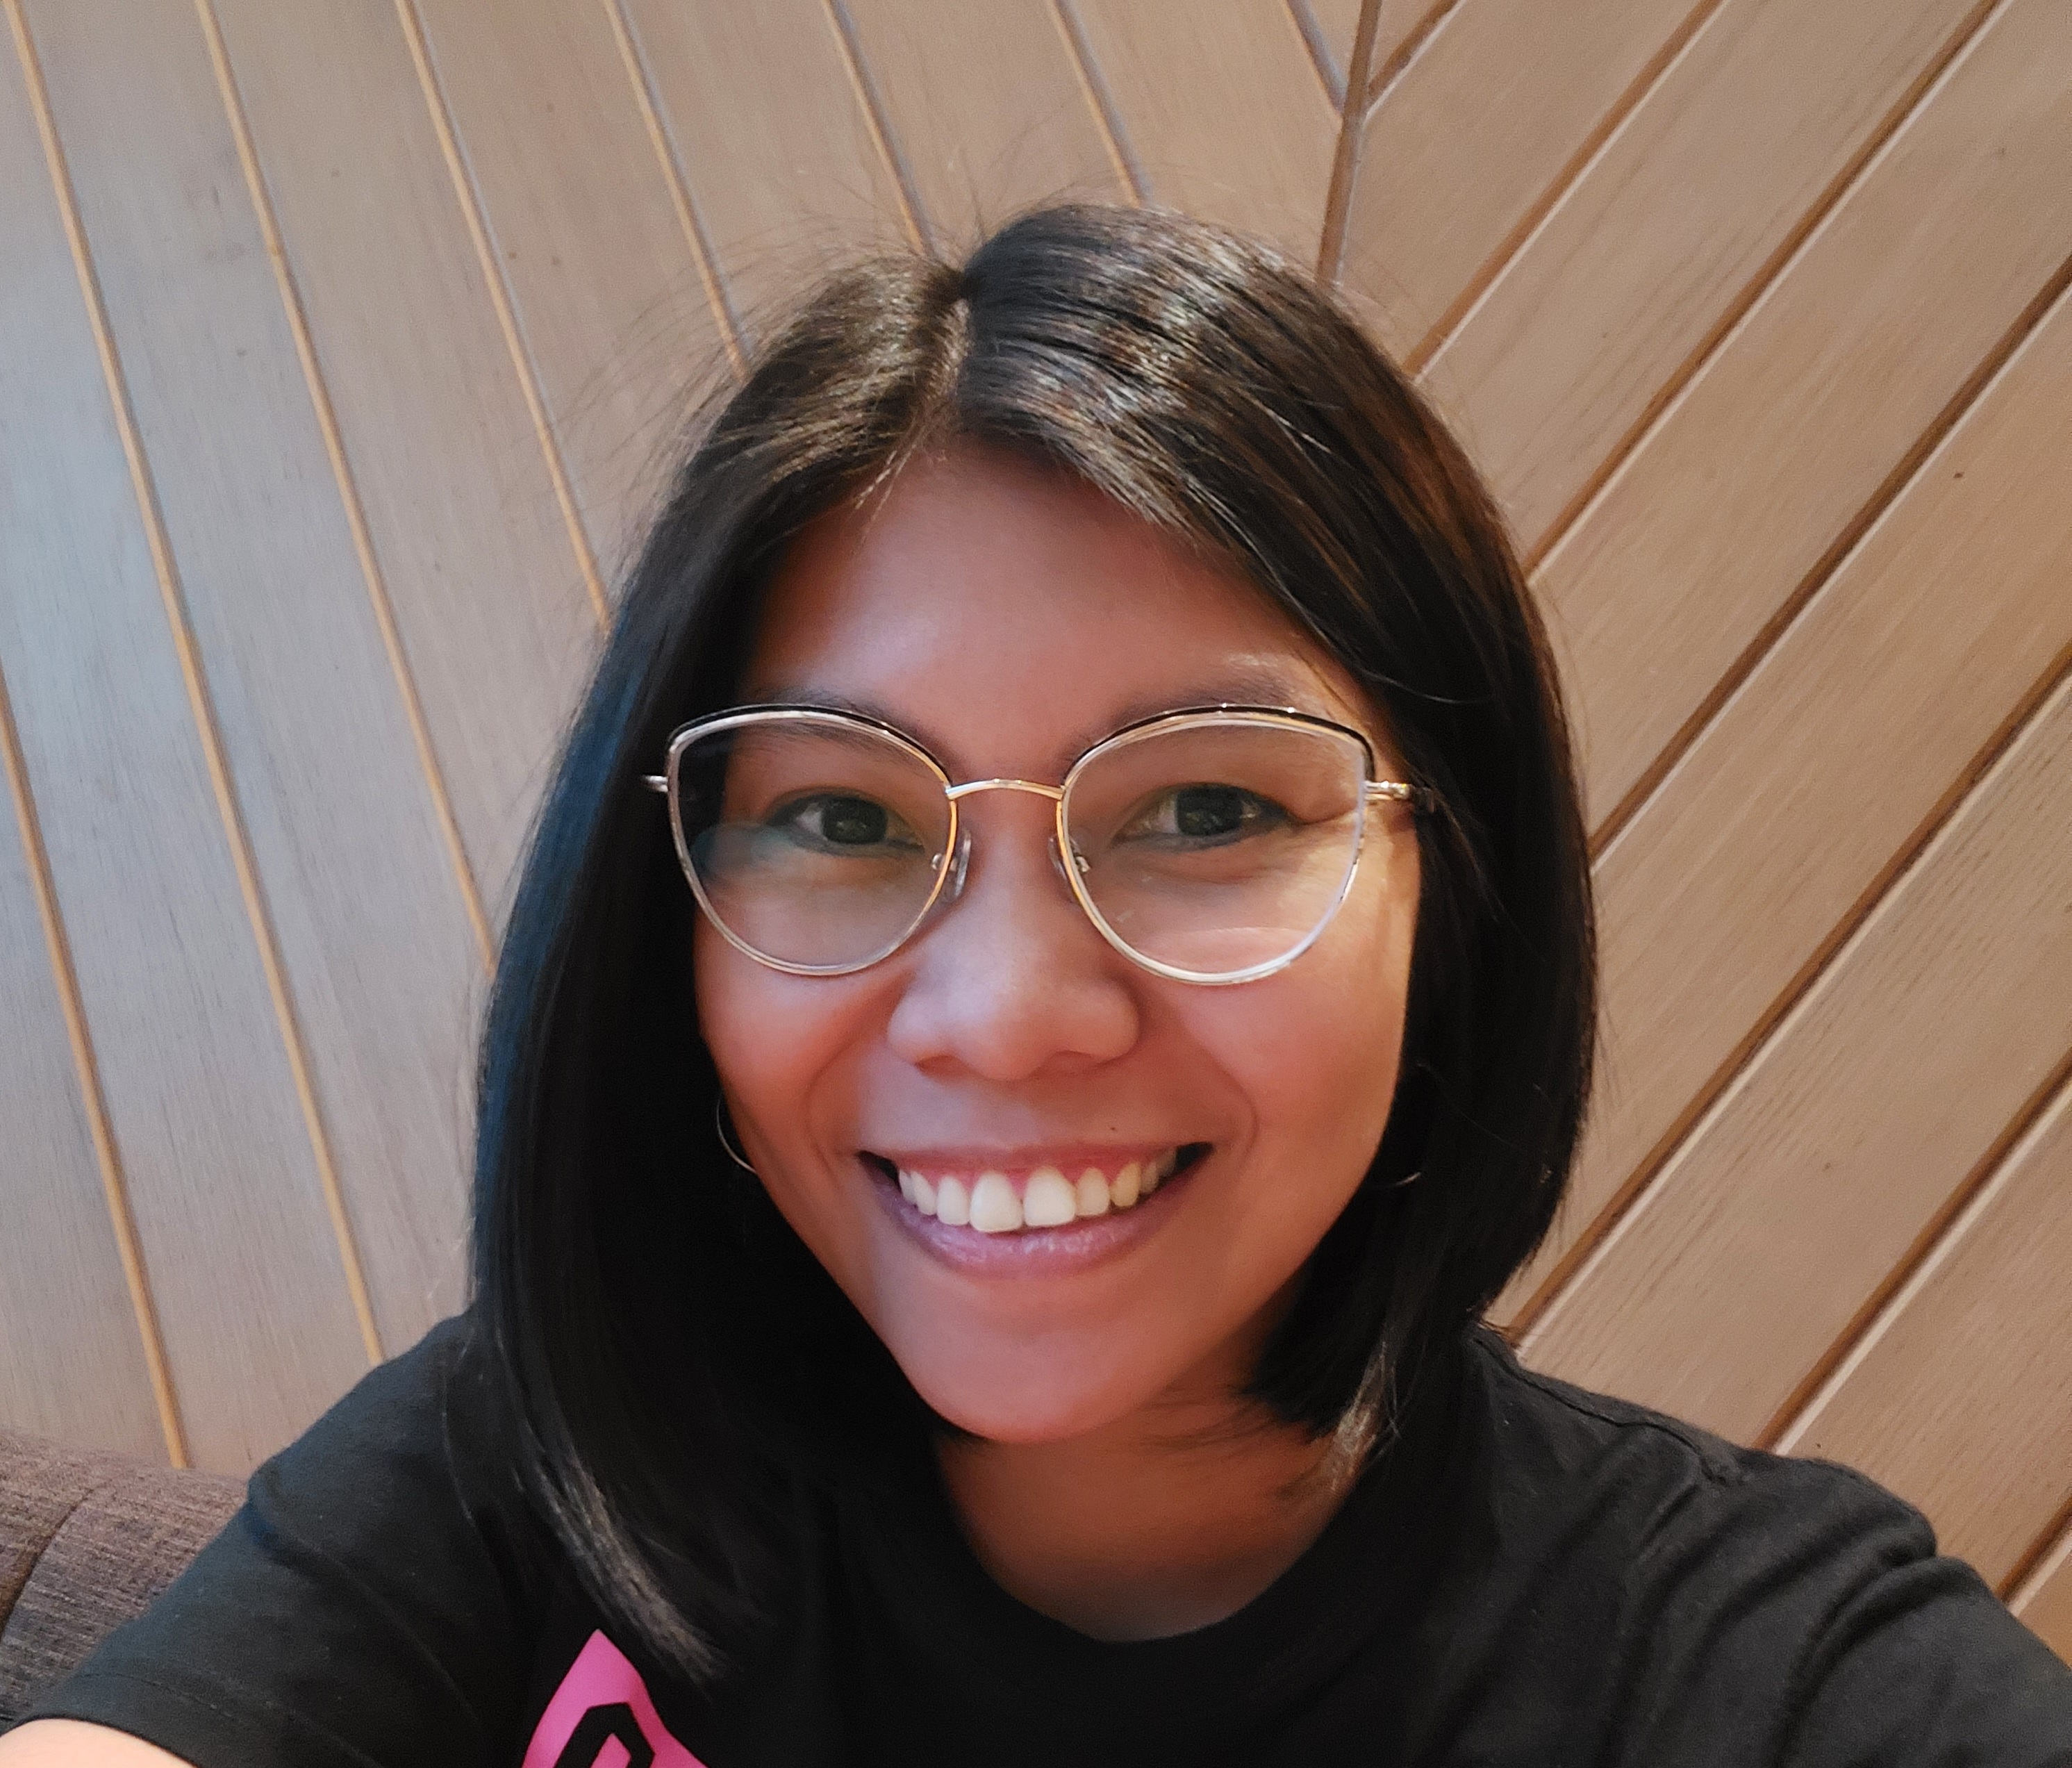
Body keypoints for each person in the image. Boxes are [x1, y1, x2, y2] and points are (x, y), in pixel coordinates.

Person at [4, 204, 2067, 1768]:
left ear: (1454, 889)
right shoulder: (540, 1457)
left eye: (1206, 810)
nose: (1001, 1012)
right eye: (839, 816)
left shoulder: (1762, 1672)